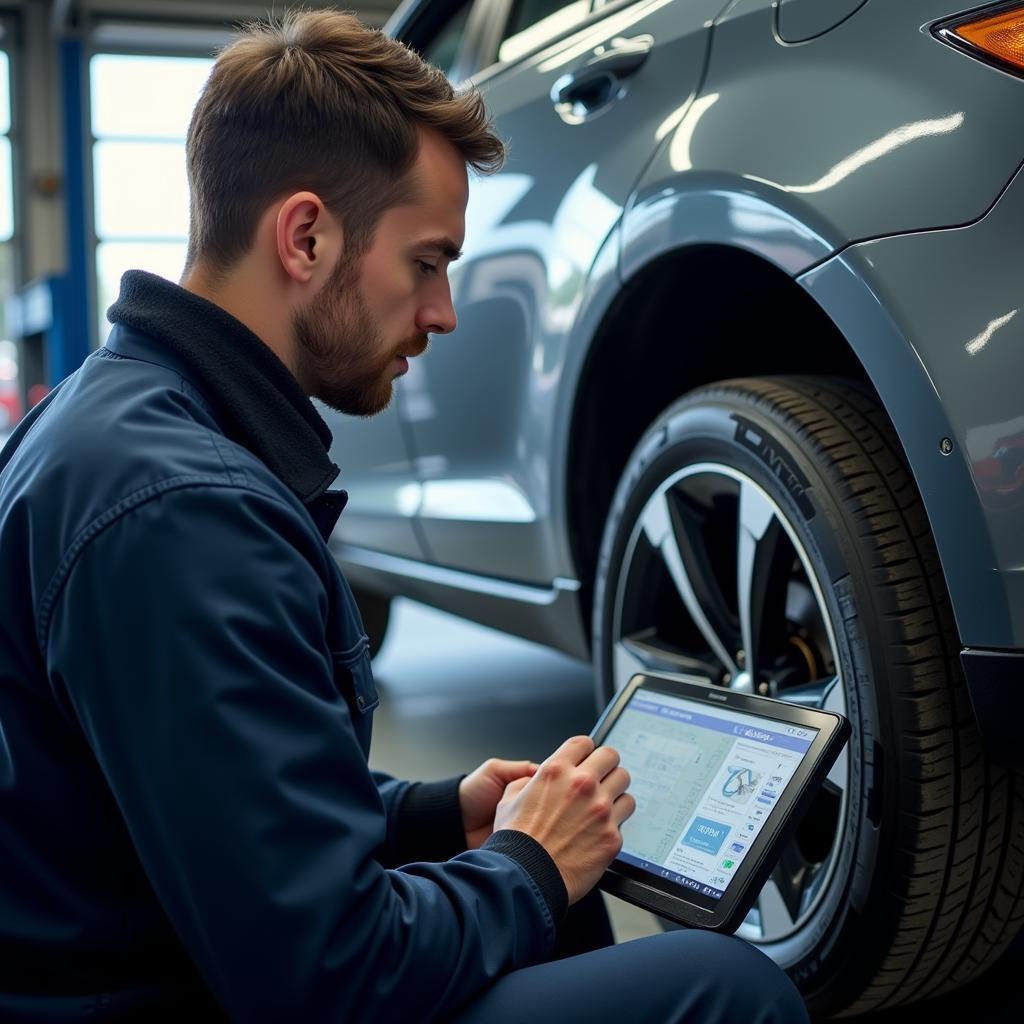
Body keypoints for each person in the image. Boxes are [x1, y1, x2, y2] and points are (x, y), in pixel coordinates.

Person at [0, 10, 809, 1023]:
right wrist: (524, 860)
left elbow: (217, 806)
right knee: (723, 987)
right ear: (305, 236)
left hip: (169, 943)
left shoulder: (116, 423)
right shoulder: (182, 514)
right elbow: (328, 979)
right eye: (426, 261)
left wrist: (436, 813)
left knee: (550, 900)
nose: (443, 311)